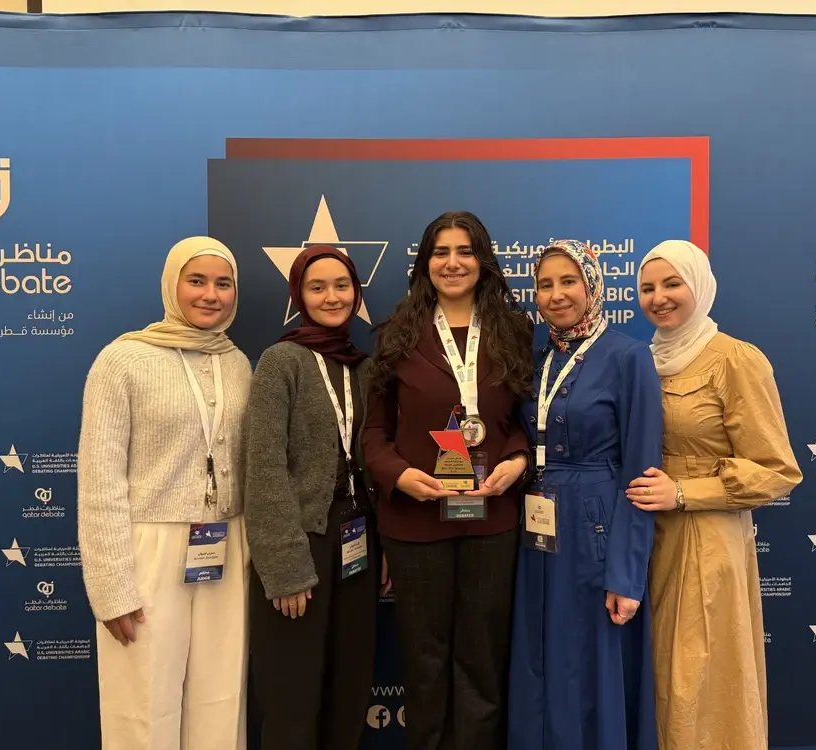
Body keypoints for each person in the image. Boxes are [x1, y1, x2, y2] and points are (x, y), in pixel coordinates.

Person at [361, 210, 534, 750]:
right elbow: (373, 433)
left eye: (465, 251)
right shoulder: (395, 334)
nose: (453, 263)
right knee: (424, 661)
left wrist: (518, 460)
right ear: (425, 263)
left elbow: (522, 423)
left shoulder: (514, 331)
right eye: (441, 252)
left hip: (492, 521)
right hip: (414, 524)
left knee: (483, 660)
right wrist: (399, 475)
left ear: (483, 261)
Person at [627, 239, 803, 750]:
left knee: (697, 682)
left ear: (700, 287)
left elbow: (777, 470)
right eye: (647, 288)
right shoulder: (642, 360)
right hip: (647, 538)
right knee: (658, 677)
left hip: (704, 543)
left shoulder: (734, 359)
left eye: (672, 284)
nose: (658, 298)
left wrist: (684, 492)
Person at [77, 236, 252, 750]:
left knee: (222, 700)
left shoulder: (238, 362)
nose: (210, 295)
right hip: (147, 550)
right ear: (172, 285)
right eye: (196, 281)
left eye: (223, 283)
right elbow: (99, 481)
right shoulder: (122, 360)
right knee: (144, 702)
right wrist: (111, 587)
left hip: (226, 544)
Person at [508, 240, 662, 750]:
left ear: (593, 286)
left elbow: (642, 472)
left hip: (597, 530)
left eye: (568, 281)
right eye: (545, 284)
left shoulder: (630, 357)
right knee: (540, 657)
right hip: (536, 529)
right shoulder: (536, 357)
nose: (556, 295)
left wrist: (626, 574)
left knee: (589, 664)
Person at [244, 245, 381, 750]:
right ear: (299, 295)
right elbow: (264, 468)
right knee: (293, 695)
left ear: (356, 293)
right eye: (317, 287)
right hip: (301, 544)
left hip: (358, 542)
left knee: (349, 689)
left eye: (342, 286)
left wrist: (384, 546)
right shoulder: (281, 362)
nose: (332, 297)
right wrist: (284, 568)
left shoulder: (364, 369)